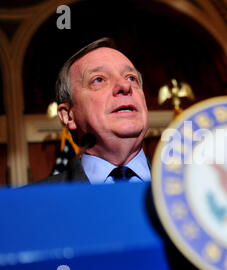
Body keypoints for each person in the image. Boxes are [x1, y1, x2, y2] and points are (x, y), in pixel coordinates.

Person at [39, 38, 151, 184]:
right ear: (68, 115)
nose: (125, 85)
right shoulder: (29, 203)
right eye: (98, 79)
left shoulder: (189, 187)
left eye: (131, 78)